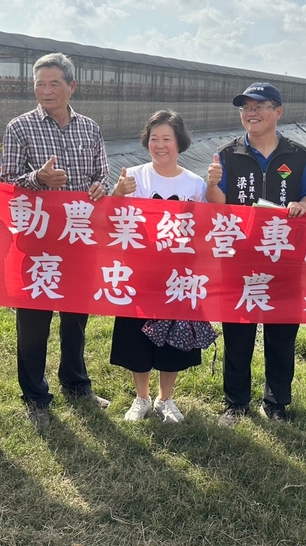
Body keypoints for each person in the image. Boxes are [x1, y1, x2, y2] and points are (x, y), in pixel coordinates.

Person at [0, 53, 113, 428]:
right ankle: (35, 396)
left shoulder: (89, 129)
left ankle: (76, 383)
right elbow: (6, 183)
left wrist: (100, 186)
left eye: (54, 84)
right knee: (34, 318)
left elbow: (102, 174)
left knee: (76, 315)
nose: (46, 91)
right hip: (38, 238)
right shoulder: (20, 127)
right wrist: (38, 179)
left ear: (71, 86)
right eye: (39, 84)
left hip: (80, 237)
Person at [206, 82, 306, 426]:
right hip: (239, 257)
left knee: (282, 332)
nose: (250, 113)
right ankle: (235, 403)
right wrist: (212, 184)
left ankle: (276, 403)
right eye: (245, 108)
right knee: (237, 331)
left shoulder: (298, 155)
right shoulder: (227, 154)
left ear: (277, 112)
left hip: (285, 256)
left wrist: (303, 204)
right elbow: (217, 205)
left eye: (259, 107)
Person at [110, 110, 207, 424]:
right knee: (136, 335)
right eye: (154, 139)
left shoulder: (194, 183)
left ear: (179, 143)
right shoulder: (133, 176)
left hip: (178, 274)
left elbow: (202, 228)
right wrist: (117, 193)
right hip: (139, 270)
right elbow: (113, 218)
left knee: (173, 337)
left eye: (167, 138)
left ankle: (166, 398)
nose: (160, 145)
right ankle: (141, 397)